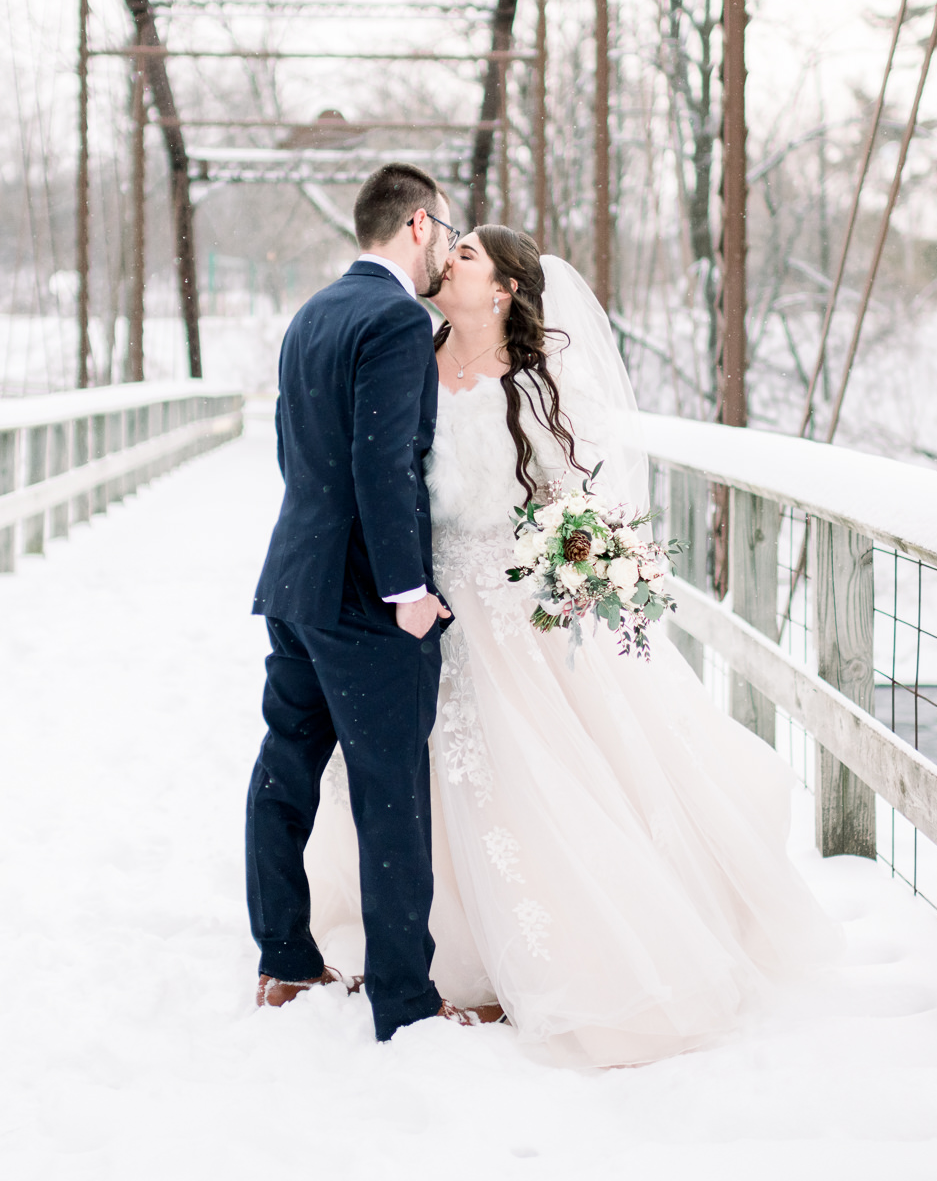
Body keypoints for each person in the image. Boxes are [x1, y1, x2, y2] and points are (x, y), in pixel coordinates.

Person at [304, 225, 841, 1067]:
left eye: (470, 256)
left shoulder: (545, 378)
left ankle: (564, 957)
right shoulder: (411, 353)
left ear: (506, 289)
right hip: (428, 603)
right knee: (425, 774)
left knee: (543, 769)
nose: (450, 261)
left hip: (516, 609)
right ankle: (423, 948)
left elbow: (578, 493)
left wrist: (579, 557)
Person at [245, 162, 493, 1041]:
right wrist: (408, 591)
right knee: (392, 790)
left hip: (296, 579)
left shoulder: (313, 313)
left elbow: (294, 449)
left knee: (287, 770)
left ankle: (283, 957)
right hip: (363, 598)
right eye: (447, 232)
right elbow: (384, 466)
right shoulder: (395, 319)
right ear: (419, 224)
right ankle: (405, 998)